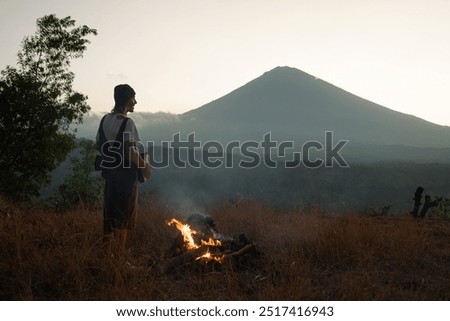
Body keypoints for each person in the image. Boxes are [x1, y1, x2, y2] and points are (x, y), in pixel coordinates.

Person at [96, 84, 151, 258]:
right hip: (127, 178)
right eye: (133, 98)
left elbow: (99, 144)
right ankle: (119, 260)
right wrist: (144, 167)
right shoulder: (128, 123)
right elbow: (131, 151)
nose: (135, 102)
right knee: (124, 220)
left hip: (110, 176)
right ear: (127, 100)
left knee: (110, 217)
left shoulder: (104, 120)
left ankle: (106, 257)